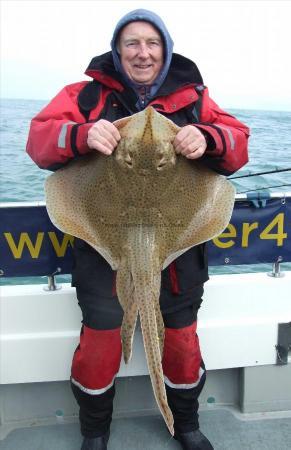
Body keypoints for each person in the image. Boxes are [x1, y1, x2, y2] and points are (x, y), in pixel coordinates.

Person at [26, 9, 249, 450]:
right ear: (118, 50)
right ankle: (95, 431)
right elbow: (39, 140)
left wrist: (207, 137)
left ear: (165, 50)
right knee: (102, 337)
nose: (142, 52)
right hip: (103, 242)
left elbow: (238, 143)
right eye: (132, 43)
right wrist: (82, 135)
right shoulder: (85, 95)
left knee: (180, 338)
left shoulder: (194, 100)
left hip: (177, 247)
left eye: (152, 43)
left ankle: (184, 423)